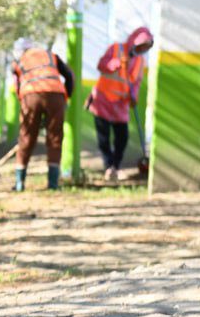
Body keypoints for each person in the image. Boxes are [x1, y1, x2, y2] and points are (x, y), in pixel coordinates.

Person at [87, 26, 154, 181]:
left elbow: (135, 83)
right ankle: (109, 166)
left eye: (146, 47)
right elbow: (101, 66)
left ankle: (115, 166)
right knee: (103, 138)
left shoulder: (140, 61)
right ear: (134, 42)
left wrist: (134, 96)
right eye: (141, 45)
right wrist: (116, 63)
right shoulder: (116, 49)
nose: (142, 49)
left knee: (122, 138)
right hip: (103, 100)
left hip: (121, 104)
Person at [11, 39, 74, 192]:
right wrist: (66, 98)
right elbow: (70, 76)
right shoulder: (50, 55)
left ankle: (20, 183)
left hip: (31, 95)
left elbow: (17, 86)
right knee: (55, 138)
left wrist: (27, 109)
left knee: (26, 137)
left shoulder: (19, 61)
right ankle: (53, 184)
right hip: (56, 96)